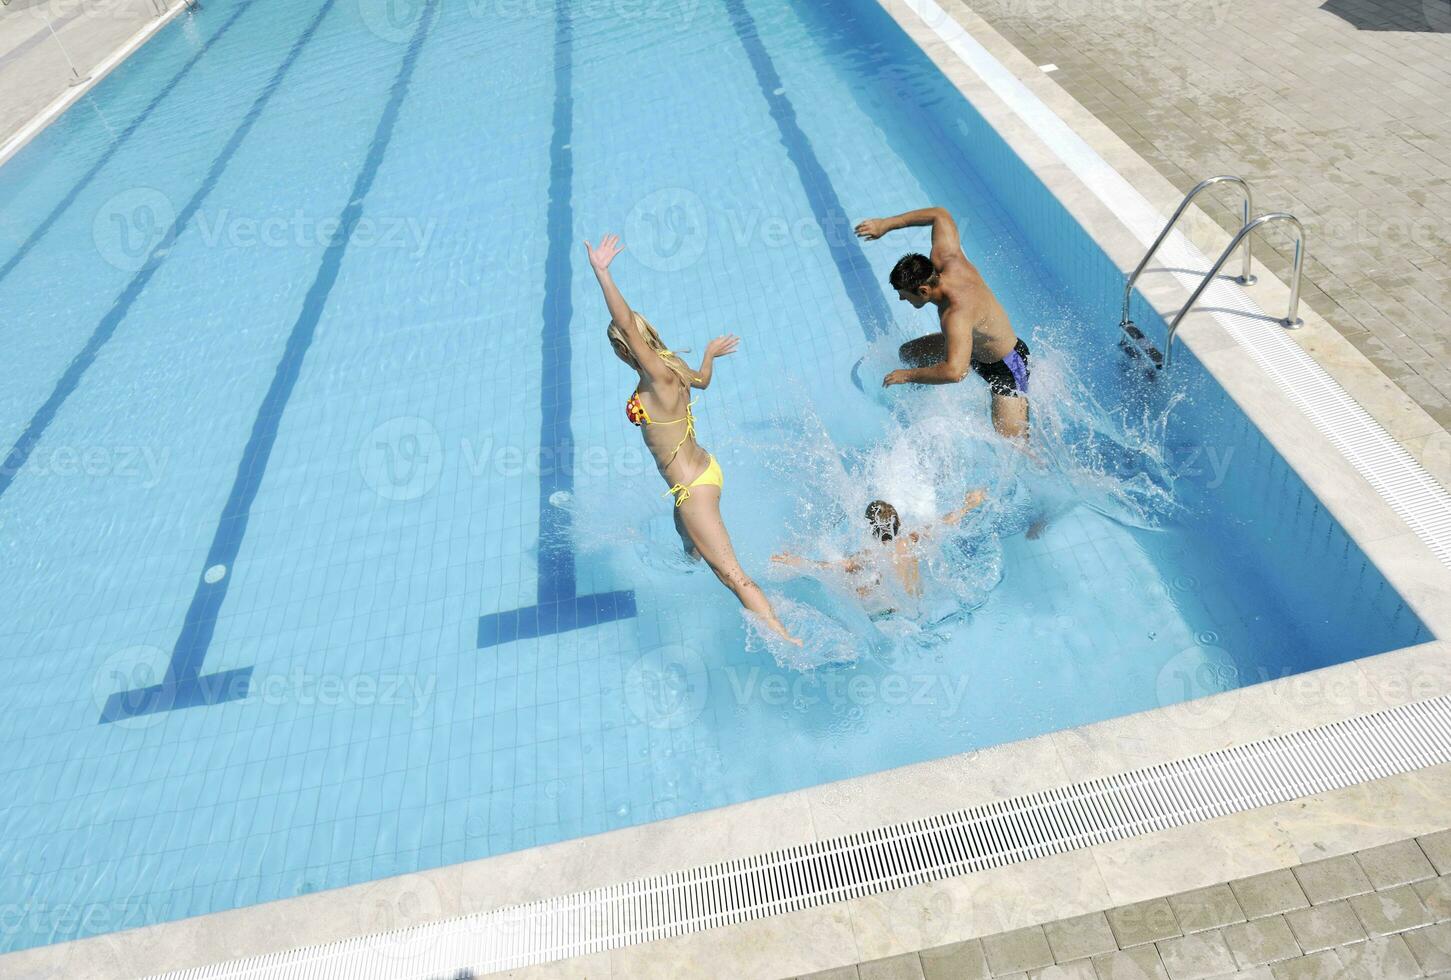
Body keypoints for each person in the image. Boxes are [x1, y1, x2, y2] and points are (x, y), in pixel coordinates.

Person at [586, 233, 800, 645]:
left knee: (733, 578)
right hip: (707, 470)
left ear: (625, 349)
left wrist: (603, 274)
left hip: (693, 490)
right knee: (685, 532)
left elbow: (626, 323)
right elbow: (701, 382)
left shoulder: (655, 375)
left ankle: (785, 638)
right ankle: (691, 553)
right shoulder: (675, 366)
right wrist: (708, 355)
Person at [854, 207, 1031, 441]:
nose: (901, 298)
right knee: (909, 353)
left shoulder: (955, 315)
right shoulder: (948, 259)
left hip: (1005, 366)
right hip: (972, 347)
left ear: (924, 290)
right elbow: (939, 214)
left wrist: (907, 376)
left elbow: (955, 372)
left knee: (1013, 445)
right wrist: (886, 224)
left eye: (904, 294)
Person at [772, 490, 986, 611]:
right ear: (898, 522)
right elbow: (945, 521)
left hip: (893, 610)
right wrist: (968, 505)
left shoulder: (871, 555)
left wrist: (796, 561)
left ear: (870, 529)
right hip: (919, 600)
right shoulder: (912, 538)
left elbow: (831, 567)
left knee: (856, 588)